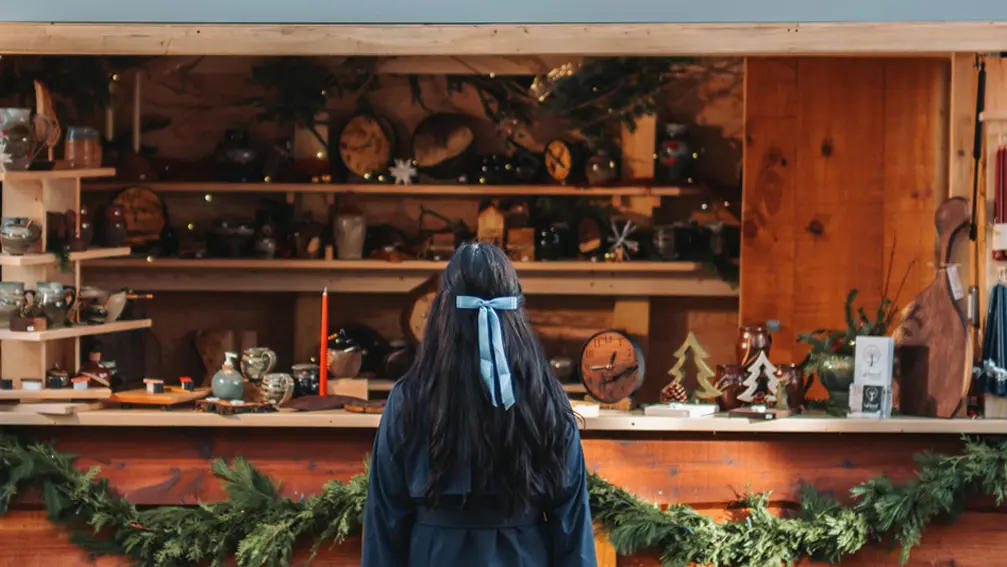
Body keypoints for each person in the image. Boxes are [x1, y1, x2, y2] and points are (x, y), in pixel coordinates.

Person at [362, 243, 596, 567]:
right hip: (522, 555)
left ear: (443, 311)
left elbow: (384, 523)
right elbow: (572, 526)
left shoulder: (408, 398)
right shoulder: (546, 397)